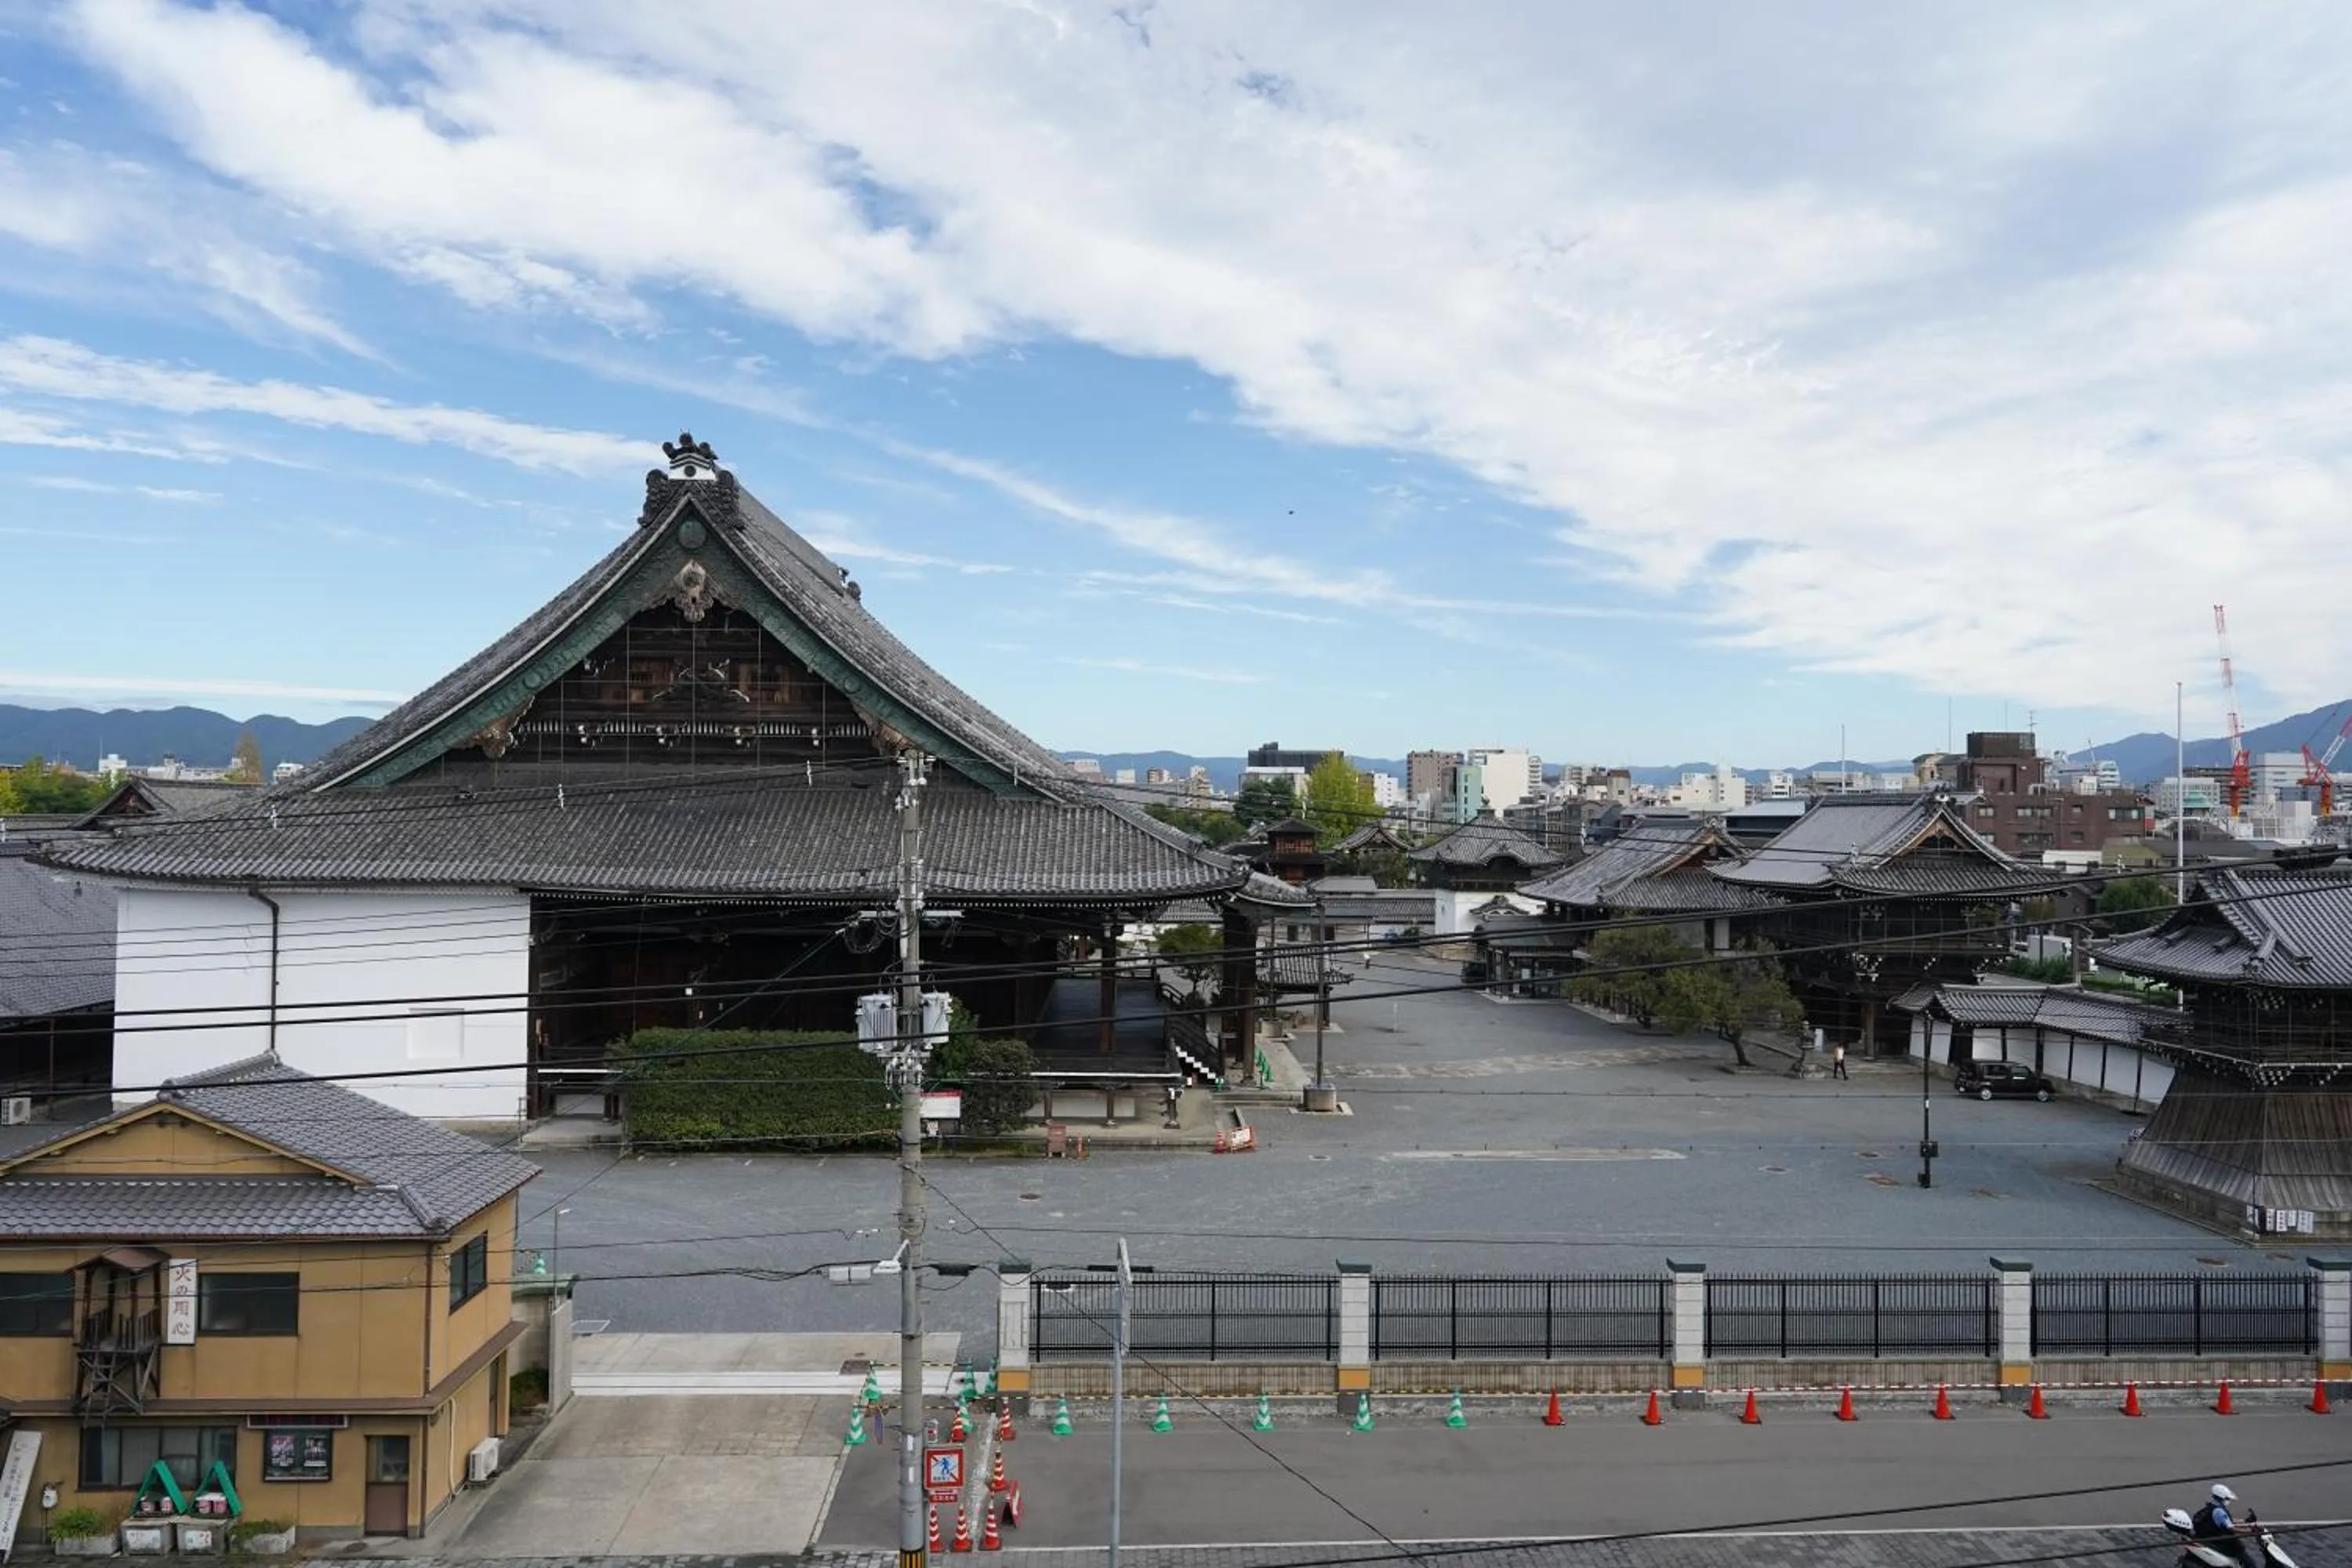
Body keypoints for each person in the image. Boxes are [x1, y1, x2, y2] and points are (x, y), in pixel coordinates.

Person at [2192, 1483, 2252, 1567]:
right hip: (2220, 1541)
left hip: (2208, 1538)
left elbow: (2227, 1521)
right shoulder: (2219, 1511)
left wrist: (2245, 1521)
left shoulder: (2211, 1507)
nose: (2229, 1501)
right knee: (2249, 1563)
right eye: (2228, 1499)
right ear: (2223, 1498)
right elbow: (2231, 1528)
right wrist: (2250, 1532)